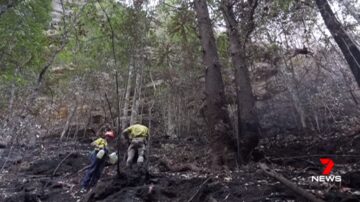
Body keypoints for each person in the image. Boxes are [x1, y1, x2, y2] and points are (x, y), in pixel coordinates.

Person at [80, 128, 115, 193]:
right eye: (108, 137)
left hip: (102, 159)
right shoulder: (101, 140)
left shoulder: (108, 146)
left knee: (98, 172)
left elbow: (107, 154)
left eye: (110, 137)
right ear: (106, 136)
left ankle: (93, 186)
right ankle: (84, 186)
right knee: (92, 170)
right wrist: (99, 147)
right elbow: (92, 144)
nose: (109, 138)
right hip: (96, 155)